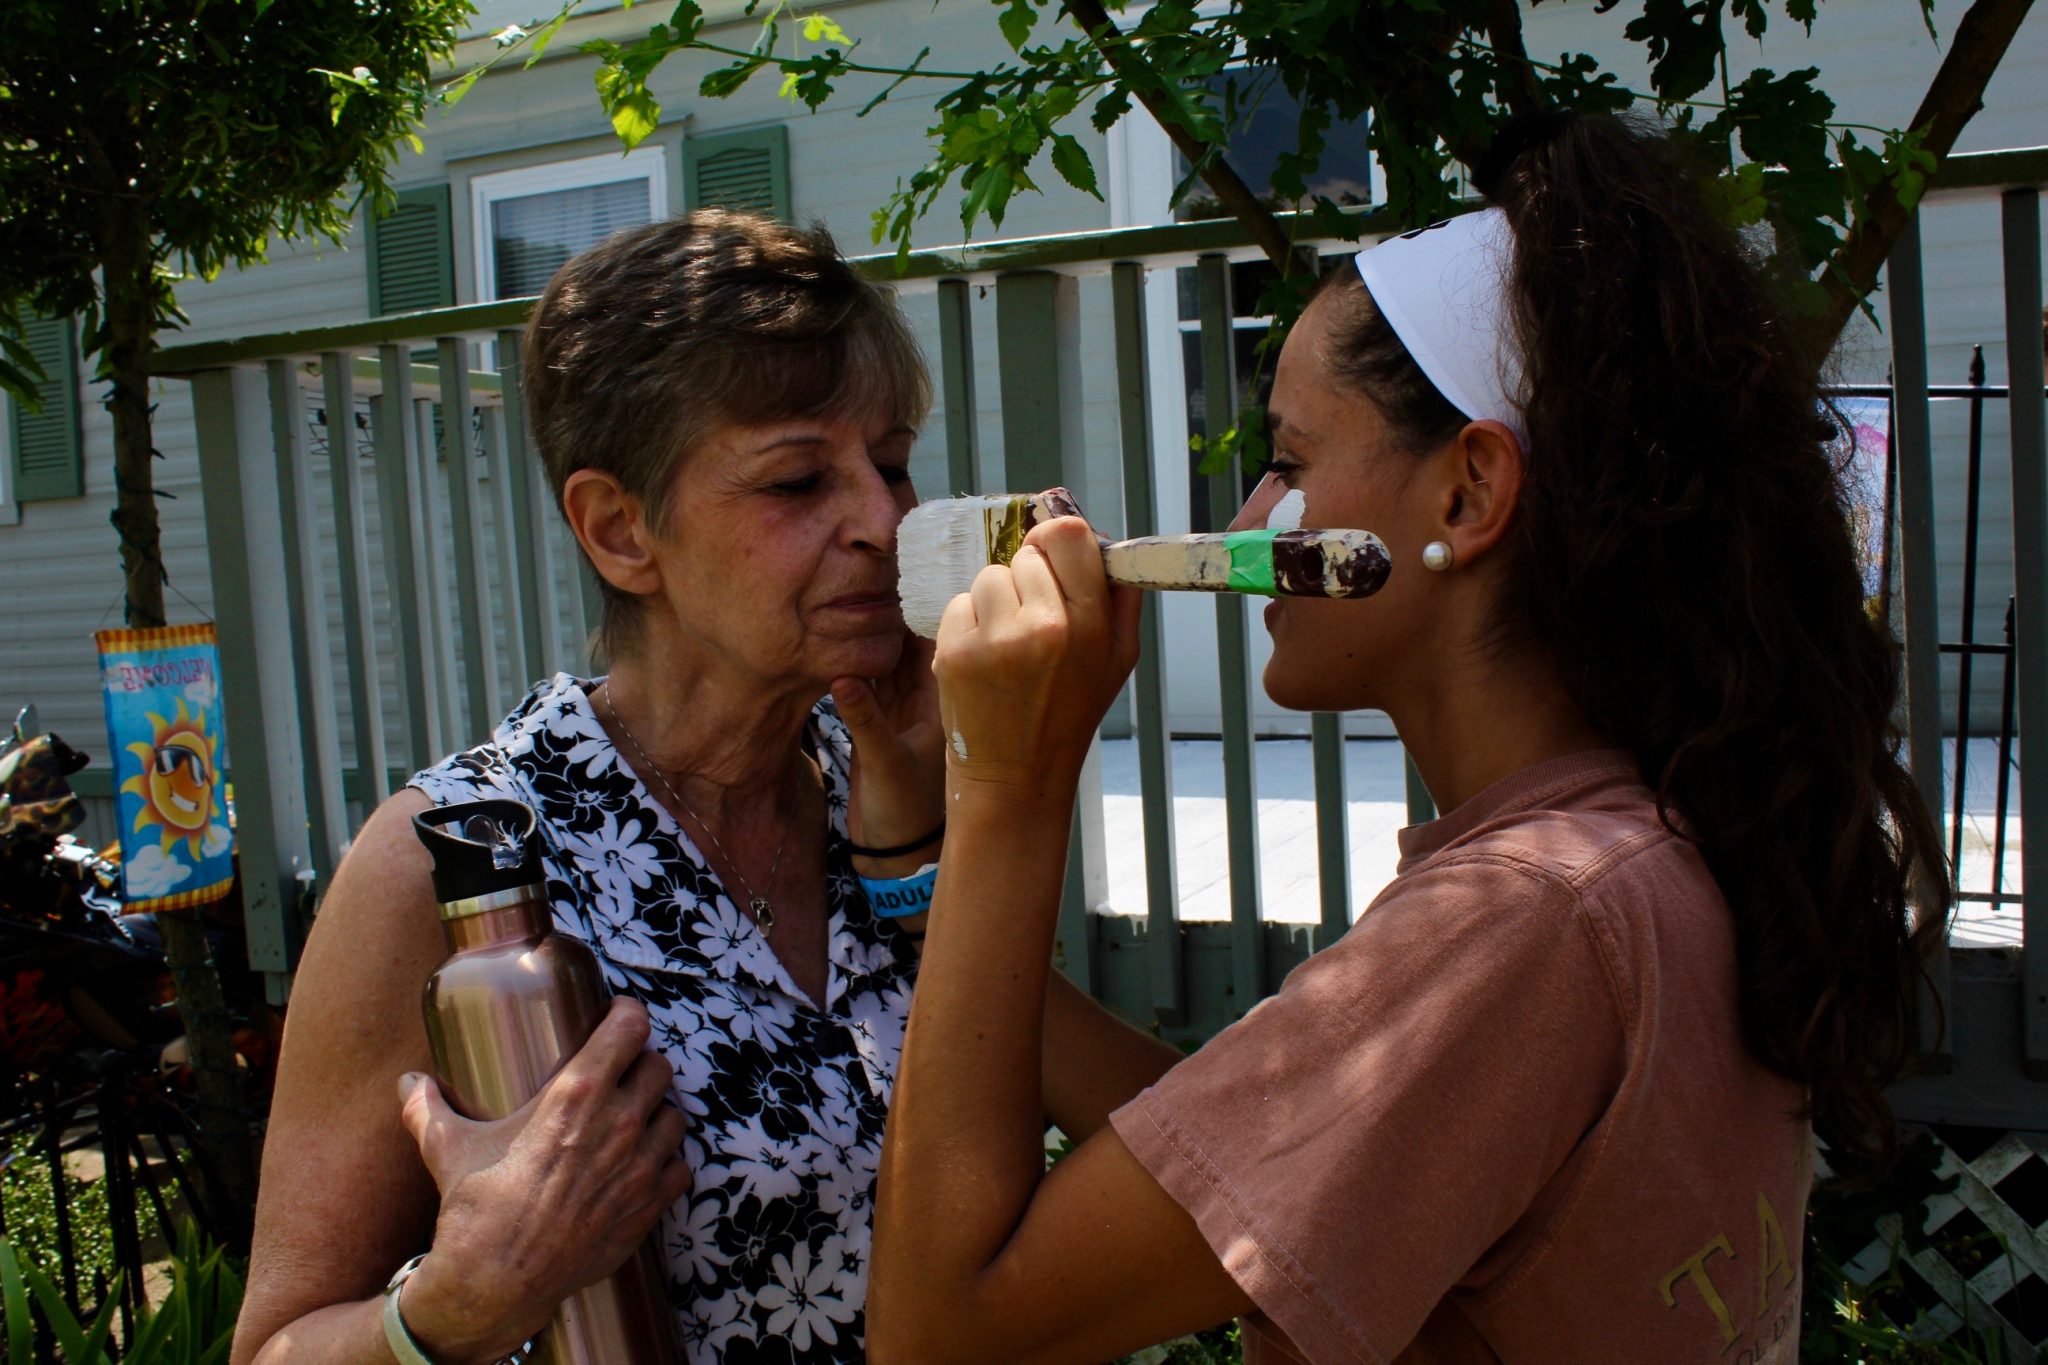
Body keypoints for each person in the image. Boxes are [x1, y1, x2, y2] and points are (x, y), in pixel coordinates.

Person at [865, 112, 1948, 1364]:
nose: (1254, 512)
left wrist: (1009, 781)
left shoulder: (1528, 920)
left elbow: (940, 1334)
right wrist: (912, 885)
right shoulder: (1634, 845)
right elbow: (1240, 1155)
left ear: (1467, 493)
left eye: (1289, 457)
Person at [232, 210, 950, 1365]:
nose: (884, 521)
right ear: (620, 530)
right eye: (799, 479)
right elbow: (272, 1349)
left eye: (893, 461)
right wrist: (452, 1308)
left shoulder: (883, 788)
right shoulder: (454, 867)